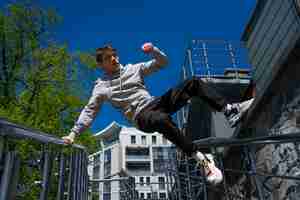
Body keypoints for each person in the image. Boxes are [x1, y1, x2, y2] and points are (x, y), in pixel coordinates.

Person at [62, 42, 254, 185]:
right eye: (108, 58)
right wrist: (73, 134)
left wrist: (154, 50)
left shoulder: (134, 69)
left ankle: (229, 111)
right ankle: (201, 159)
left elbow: (162, 63)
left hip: (155, 103)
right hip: (141, 117)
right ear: (101, 65)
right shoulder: (101, 87)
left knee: (193, 83)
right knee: (160, 119)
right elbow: (90, 111)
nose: (114, 59)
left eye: (114, 55)